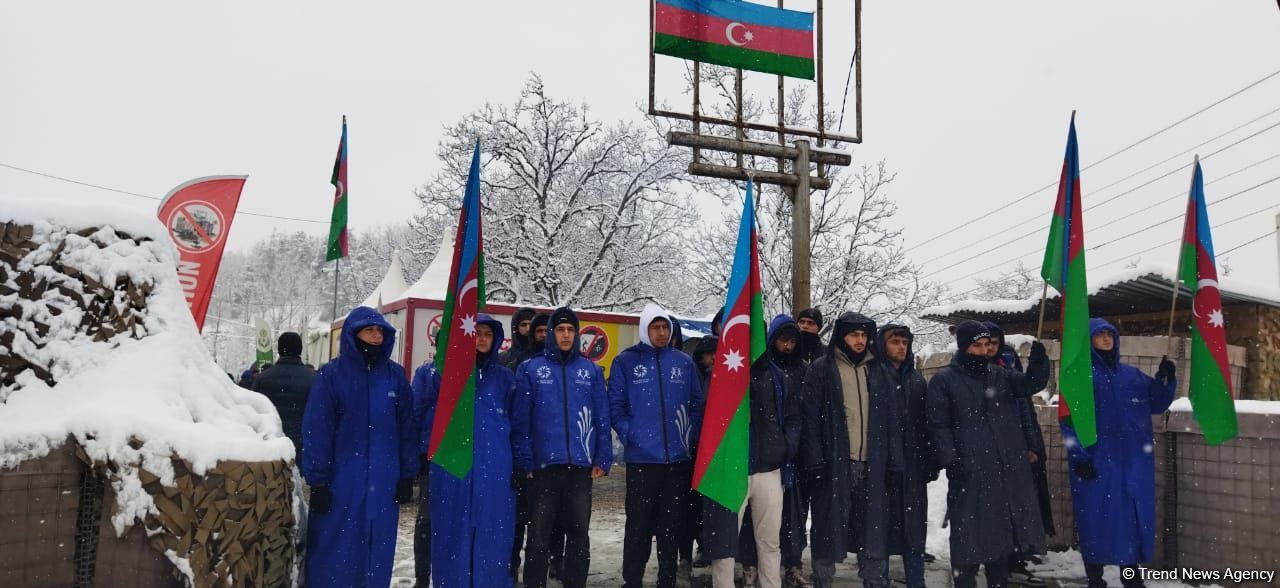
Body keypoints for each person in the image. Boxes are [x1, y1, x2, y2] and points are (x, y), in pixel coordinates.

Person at [300, 307, 419, 588]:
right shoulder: (332, 375)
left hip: (384, 482)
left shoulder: (395, 377)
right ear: (354, 335)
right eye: (370, 330)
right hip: (342, 483)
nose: (377, 336)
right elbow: (318, 428)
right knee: (334, 550)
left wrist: (406, 474)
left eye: (381, 331)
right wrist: (318, 482)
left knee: (377, 550)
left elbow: (407, 427)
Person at [926, 320, 1050, 588]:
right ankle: (965, 581)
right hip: (969, 469)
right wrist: (950, 459)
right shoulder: (944, 381)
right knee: (967, 537)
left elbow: (1030, 384)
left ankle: (997, 581)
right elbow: (938, 424)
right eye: (977, 345)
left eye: (987, 345)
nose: (983, 351)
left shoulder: (1000, 376)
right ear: (964, 347)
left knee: (1000, 538)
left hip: (1004, 469)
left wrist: (1040, 364)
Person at [1064, 319, 1176, 588]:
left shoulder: (1132, 376)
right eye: (1099, 334)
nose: (1106, 339)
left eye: (1109, 334)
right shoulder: (1080, 377)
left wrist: (1165, 379)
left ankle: (1131, 577)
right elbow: (1068, 421)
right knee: (1094, 522)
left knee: (1129, 523)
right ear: (1088, 340)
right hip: (1097, 463)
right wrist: (1079, 456)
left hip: (1132, 464)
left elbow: (1158, 404)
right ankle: (1095, 578)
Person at [512, 307, 612, 588]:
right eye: (560, 330)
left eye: (570, 330)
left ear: (577, 334)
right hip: (544, 468)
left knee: (579, 534)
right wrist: (526, 461)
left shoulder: (590, 370)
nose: (566, 335)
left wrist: (603, 457)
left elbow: (602, 417)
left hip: (580, 467)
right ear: (552, 334)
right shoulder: (531, 369)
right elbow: (521, 421)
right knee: (539, 536)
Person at [416, 314, 518, 587]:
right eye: (477, 333)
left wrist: (520, 464)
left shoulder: (505, 380)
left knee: (493, 538)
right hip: (452, 470)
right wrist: (425, 453)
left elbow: (519, 427)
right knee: (451, 536)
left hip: (495, 473)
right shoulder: (444, 376)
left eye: (488, 333)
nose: (482, 338)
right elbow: (422, 415)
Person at [610, 303, 705, 588]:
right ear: (645, 329)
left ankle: (667, 577)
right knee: (638, 525)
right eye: (655, 327)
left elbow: (696, 405)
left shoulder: (682, 362)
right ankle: (633, 579)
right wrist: (632, 434)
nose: (662, 333)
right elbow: (615, 406)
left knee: (670, 525)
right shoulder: (626, 362)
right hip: (642, 461)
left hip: (677, 460)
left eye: (665, 327)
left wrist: (688, 437)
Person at [702, 322, 802, 588]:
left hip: (769, 468)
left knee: (770, 541)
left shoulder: (778, 376)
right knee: (724, 544)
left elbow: (792, 417)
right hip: (730, 470)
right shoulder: (719, 374)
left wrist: (785, 446)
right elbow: (704, 419)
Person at [800, 312, 877, 588]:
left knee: (871, 529)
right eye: (854, 335)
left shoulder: (875, 369)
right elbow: (810, 419)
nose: (860, 340)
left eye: (864, 335)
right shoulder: (822, 368)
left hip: (871, 463)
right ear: (841, 336)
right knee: (827, 527)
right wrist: (815, 458)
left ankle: (873, 580)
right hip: (834, 463)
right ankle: (823, 581)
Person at [857, 324, 936, 588]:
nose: (901, 347)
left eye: (905, 342)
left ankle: (917, 581)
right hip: (879, 468)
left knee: (913, 531)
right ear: (882, 344)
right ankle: (880, 581)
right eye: (895, 342)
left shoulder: (915, 379)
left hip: (912, 470)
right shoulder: (871, 375)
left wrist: (930, 460)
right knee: (879, 530)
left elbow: (926, 425)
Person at [737, 315, 810, 587]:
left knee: (780, 527)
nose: (788, 346)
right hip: (745, 463)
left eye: (793, 341)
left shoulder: (797, 371)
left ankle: (786, 569)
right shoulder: (743, 369)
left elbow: (796, 416)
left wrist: (786, 446)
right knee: (743, 528)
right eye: (783, 339)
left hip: (781, 462)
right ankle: (748, 566)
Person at [983, 321, 1052, 587]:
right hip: (994, 454)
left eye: (993, 342)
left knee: (1020, 509)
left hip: (1019, 446)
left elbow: (1024, 404)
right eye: (984, 342)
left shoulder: (1008, 366)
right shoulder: (972, 372)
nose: (989, 347)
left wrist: (1031, 445)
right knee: (997, 513)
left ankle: (1016, 558)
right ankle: (998, 562)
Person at [253, 332, 314, 459]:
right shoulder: (313, 379)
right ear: (300, 350)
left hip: (272, 443)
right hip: (304, 441)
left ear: (280, 349)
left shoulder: (262, 379)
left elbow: (254, 412)